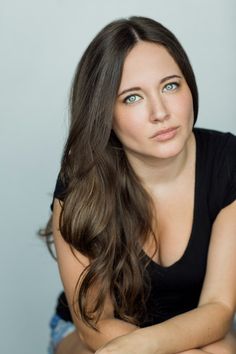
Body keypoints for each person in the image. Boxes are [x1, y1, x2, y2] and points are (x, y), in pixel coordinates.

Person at [43, 16, 236, 354]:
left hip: (194, 332)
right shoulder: (82, 181)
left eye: (170, 86)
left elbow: (218, 309)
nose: (160, 112)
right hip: (95, 336)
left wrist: (157, 348)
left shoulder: (227, 162)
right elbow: (94, 325)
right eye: (132, 98)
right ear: (104, 112)